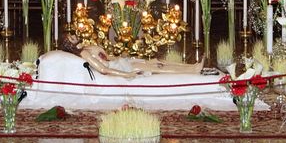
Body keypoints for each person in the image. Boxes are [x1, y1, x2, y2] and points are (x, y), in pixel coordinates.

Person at [60, 35, 203, 79]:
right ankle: (193, 71)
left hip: (122, 61)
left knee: (158, 61)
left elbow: (108, 57)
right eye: (71, 38)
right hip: (121, 68)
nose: (74, 36)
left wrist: (124, 57)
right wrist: (127, 74)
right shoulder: (84, 54)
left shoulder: (86, 48)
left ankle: (192, 66)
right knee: (156, 67)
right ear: (70, 45)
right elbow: (103, 69)